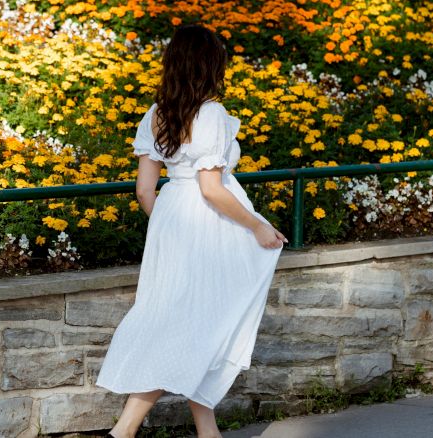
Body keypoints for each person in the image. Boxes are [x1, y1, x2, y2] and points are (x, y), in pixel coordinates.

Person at [95, 24, 287, 438]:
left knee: (193, 318)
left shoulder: (156, 114)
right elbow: (212, 189)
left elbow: (145, 190)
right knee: (197, 321)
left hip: (172, 221)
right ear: (210, 66)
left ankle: (207, 428)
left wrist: (169, 227)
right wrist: (258, 225)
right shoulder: (212, 114)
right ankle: (124, 429)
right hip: (209, 224)